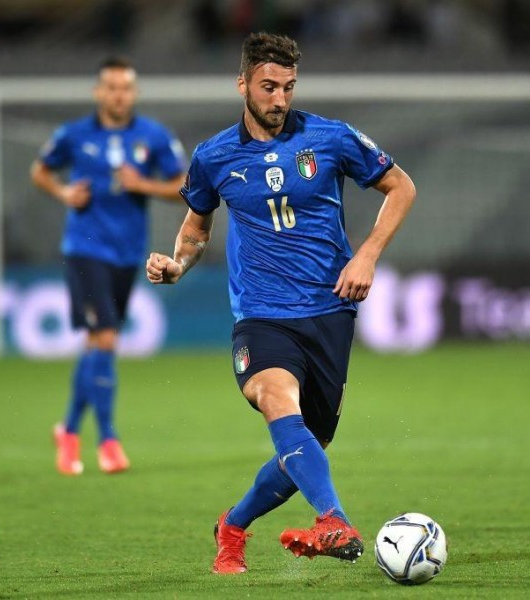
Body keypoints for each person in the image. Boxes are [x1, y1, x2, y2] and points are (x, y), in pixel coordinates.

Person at [145, 32, 416, 573]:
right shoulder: (213, 156)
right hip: (262, 315)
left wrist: (365, 256)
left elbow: (401, 186)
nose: (279, 99)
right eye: (268, 87)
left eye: (288, 87)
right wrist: (179, 263)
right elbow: (196, 227)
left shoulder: (331, 138)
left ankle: (233, 525)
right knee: (276, 398)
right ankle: (332, 519)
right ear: (242, 83)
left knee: (307, 447)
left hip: (330, 311)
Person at [31, 56, 187, 476]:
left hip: (126, 252)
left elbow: (183, 186)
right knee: (104, 338)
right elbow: (40, 171)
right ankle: (108, 440)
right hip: (84, 248)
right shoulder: (74, 135)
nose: (119, 95)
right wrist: (64, 194)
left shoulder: (153, 136)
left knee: (97, 344)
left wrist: (144, 185)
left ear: (133, 93)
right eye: (112, 87)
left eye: (126, 88)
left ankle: (67, 430)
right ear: (99, 92)